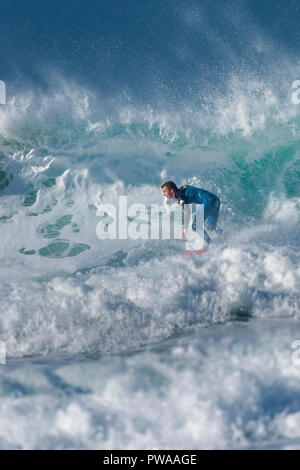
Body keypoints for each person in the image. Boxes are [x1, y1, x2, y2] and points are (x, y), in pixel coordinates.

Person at [161, 180, 221, 245]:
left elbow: (187, 213)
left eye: (164, 192)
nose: (163, 194)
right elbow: (188, 193)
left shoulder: (181, 197)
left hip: (207, 202)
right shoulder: (182, 189)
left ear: (172, 190)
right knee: (211, 227)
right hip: (215, 199)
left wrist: (185, 228)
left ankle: (212, 244)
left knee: (195, 226)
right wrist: (180, 201)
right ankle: (223, 234)